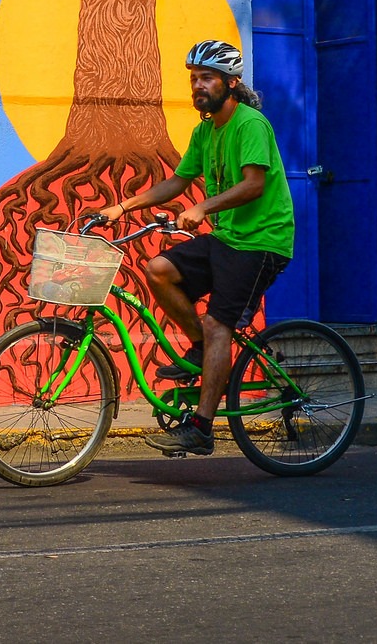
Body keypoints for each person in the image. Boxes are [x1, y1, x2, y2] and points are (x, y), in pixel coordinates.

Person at [91, 40, 294, 456]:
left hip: (261, 242)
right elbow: (177, 182)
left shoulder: (250, 123)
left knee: (220, 324)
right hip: (226, 238)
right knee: (159, 269)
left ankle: (201, 428)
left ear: (231, 83)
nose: (198, 86)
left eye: (207, 78)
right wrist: (122, 206)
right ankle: (202, 346)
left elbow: (254, 185)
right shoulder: (205, 131)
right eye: (194, 79)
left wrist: (203, 207)